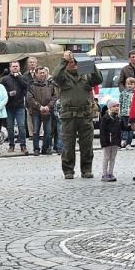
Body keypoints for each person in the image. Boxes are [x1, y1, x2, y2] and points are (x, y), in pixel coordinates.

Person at [52, 51, 103, 179]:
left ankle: (86, 169)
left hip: (85, 114)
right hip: (69, 115)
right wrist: (64, 60)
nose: (73, 64)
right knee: (68, 145)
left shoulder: (85, 76)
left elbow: (98, 79)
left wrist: (90, 65)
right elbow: (56, 76)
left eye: (75, 62)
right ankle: (68, 170)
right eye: (70, 63)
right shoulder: (63, 78)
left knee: (87, 145)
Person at [26, 67, 57, 156]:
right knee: (36, 131)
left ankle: (45, 148)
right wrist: (39, 107)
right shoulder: (31, 84)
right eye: (40, 73)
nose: (42, 74)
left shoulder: (50, 84)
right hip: (36, 111)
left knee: (48, 131)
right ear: (36, 74)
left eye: (44, 73)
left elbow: (54, 96)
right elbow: (29, 98)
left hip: (48, 111)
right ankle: (36, 149)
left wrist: (48, 106)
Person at [0, 61, 28, 154]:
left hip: (20, 106)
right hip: (9, 106)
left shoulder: (23, 77)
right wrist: (8, 94)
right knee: (10, 127)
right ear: (10, 68)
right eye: (13, 66)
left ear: (19, 67)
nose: (15, 68)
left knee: (21, 126)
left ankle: (23, 145)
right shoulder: (5, 79)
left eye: (17, 66)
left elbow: (26, 88)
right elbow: (1, 91)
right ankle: (11, 145)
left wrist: (19, 77)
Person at [100, 99, 122, 182]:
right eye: (114, 106)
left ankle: (110, 173)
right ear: (109, 107)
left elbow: (123, 128)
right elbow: (102, 131)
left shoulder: (118, 118)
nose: (116, 108)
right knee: (106, 158)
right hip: (107, 142)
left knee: (113, 158)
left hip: (115, 142)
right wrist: (103, 142)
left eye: (117, 106)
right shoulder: (105, 118)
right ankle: (104, 174)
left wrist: (130, 128)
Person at [119, 77, 135, 149]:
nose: (129, 85)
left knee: (130, 129)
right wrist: (119, 111)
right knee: (124, 128)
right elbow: (120, 103)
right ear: (125, 84)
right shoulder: (123, 93)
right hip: (124, 113)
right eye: (128, 84)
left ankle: (129, 143)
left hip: (132, 114)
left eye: (131, 84)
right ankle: (123, 141)